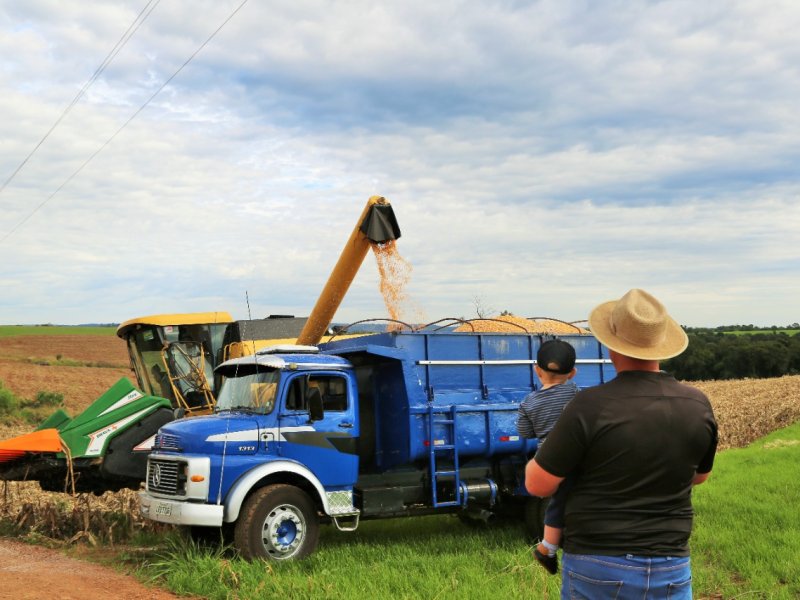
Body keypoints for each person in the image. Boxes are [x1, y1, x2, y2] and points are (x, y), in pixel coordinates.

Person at [525, 289, 718, 599]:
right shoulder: (698, 404)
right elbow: (700, 476)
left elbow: (539, 485)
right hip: (672, 565)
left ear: (610, 346)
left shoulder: (589, 406)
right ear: (660, 345)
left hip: (598, 564)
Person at [516, 339, 578, 575]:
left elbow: (524, 432)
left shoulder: (528, 402)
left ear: (536, 369)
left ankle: (548, 548)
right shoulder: (574, 393)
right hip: (575, 454)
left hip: (547, 458)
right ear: (572, 373)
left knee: (556, 501)